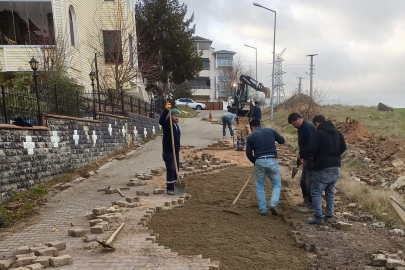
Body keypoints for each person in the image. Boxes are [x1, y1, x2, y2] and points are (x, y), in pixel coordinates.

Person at [300, 115, 347, 224]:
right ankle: (329, 216)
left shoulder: (318, 134)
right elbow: (343, 147)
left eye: (314, 126)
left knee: (316, 192)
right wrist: (334, 155)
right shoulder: (337, 133)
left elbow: (311, 150)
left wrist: (306, 155)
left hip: (322, 167)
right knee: (330, 192)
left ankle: (318, 217)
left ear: (316, 124)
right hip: (336, 166)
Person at [245, 119, 285, 216]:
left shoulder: (250, 136)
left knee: (259, 186)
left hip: (259, 160)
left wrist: (255, 162)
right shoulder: (270, 130)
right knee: (276, 184)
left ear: (252, 127)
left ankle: (263, 210)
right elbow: (282, 141)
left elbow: (248, 154)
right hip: (272, 160)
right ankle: (273, 203)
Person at [287, 113, 315, 213]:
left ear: (299, 119)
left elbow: (312, 145)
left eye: (294, 123)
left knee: (308, 183)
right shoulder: (300, 129)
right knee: (303, 182)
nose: (293, 126)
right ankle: (306, 201)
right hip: (305, 158)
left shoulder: (308, 128)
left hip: (311, 159)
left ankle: (311, 205)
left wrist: (308, 157)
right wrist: (301, 156)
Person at [159, 101, 181, 195]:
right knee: (171, 168)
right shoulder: (168, 124)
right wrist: (166, 110)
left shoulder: (176, 125)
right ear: (171, 116)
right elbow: (161, 121)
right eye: (175, 116)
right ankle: (170, 189)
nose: (177, 118)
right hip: (168, 151)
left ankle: (176, 186)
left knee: (176, 169)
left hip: (175, 151)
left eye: (178, 116)